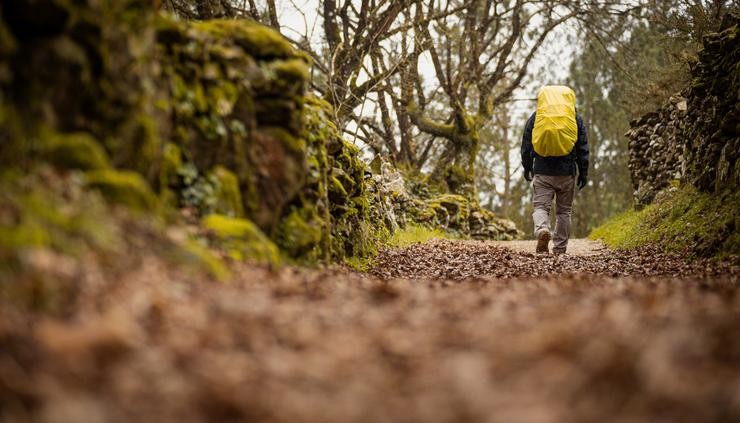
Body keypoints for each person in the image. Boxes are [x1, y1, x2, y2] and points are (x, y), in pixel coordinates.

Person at [520, 85, 589, 255]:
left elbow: (526, 144)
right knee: (564, 211)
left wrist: (527, 166)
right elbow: (583, 148)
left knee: (541, 208)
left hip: (542, 171)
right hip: (567, 172)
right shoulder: (574, 118)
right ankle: (559, 248)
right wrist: (583, 172)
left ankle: (543, 229)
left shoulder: (537, 117)